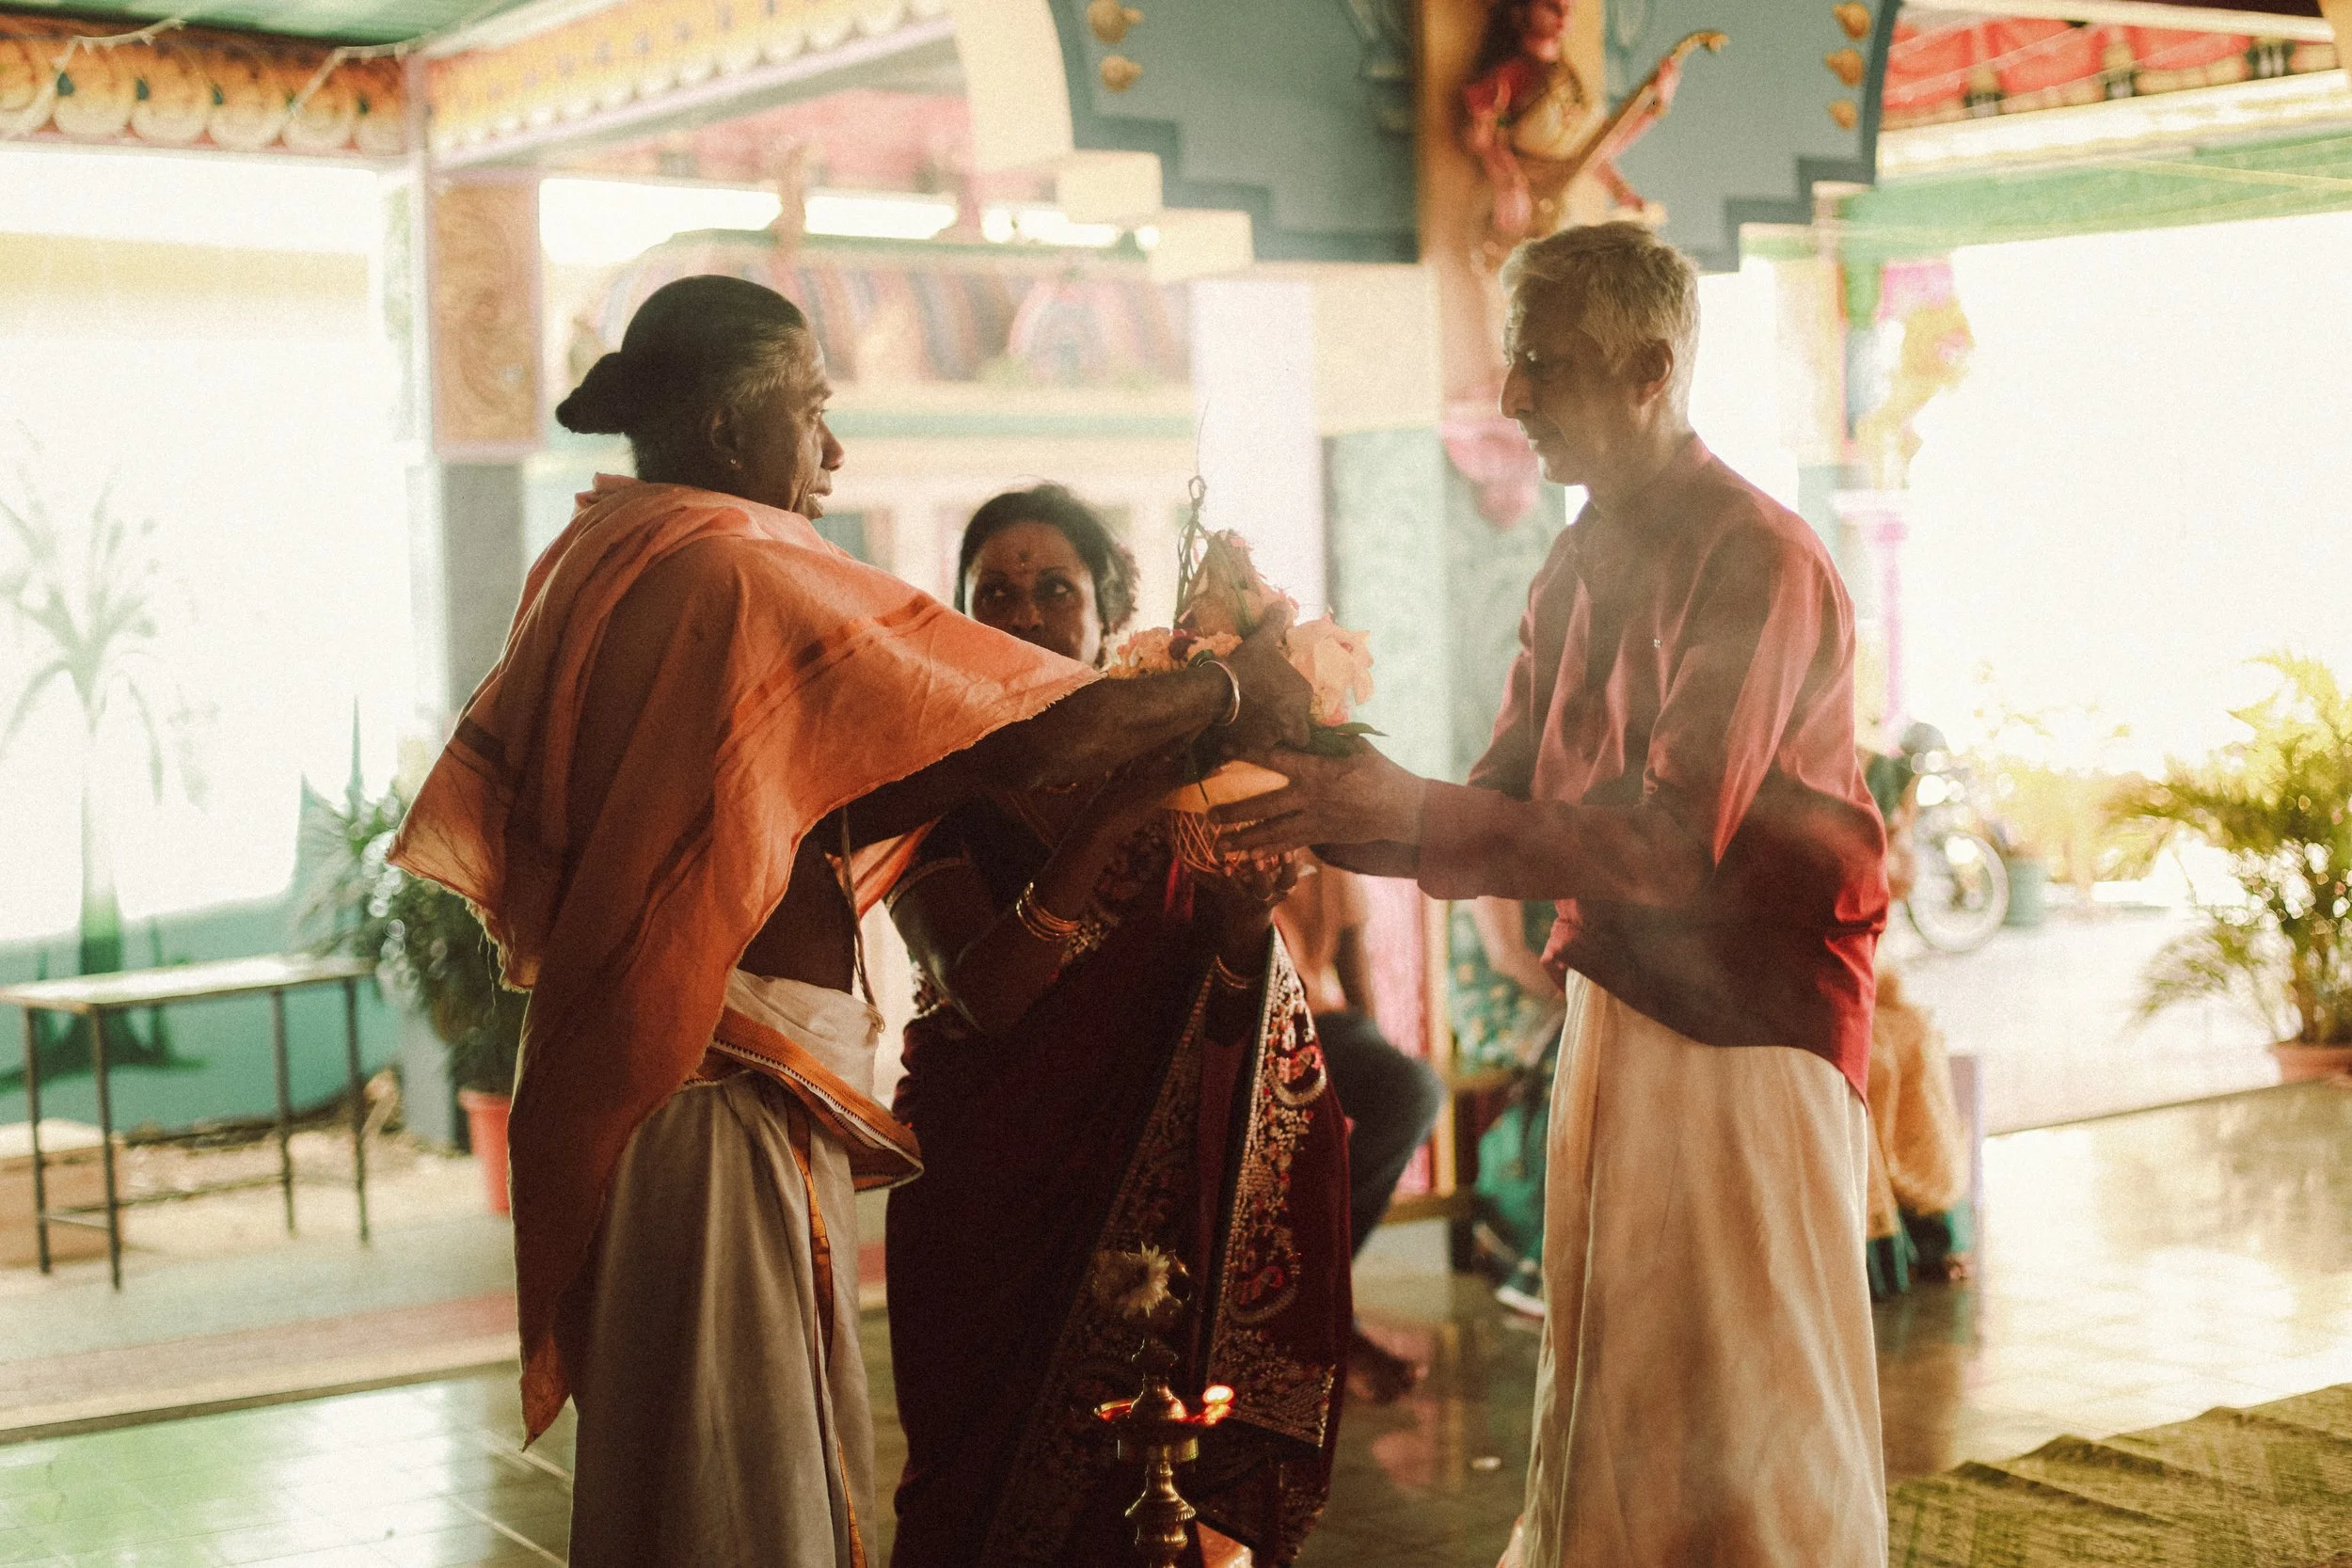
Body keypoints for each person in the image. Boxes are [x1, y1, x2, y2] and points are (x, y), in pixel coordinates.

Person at [389, 280, 1313, 1568]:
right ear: (727, 426)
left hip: (681, 1081)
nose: (832, 453)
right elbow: (1024, 736)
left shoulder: (599, 557)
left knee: (698, 1462)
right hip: (713, 1087)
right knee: (742, 1479)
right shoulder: (735, 563)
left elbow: (861, 782)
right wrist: (1224, 687)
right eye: (813, 412)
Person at [1216, 222, 1892, 1567]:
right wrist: (1300, 774)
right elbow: (1496, 795)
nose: (1515, 395)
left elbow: (1661, 850)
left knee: (1748, 1393)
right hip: (1627, 1004)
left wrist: (1398, 812)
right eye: (1516, 359)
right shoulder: (1583, 556)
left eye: (1548, 362)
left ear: (1650, 368)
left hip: (1752, 1021)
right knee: (1623, 1378)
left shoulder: (1755, 553)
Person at [882, 485, 1351, 1568]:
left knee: (1143, 1489)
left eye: (1056, 589)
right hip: (987, 1194)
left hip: (1147, 1203)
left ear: (1106, 616)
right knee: (970, 1487)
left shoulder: (1190, 784)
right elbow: (987, 991)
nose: (1025, 612)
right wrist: (1120, 807)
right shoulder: (940, 782)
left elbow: (1228, 991)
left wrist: (1243, 930)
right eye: (993, 592)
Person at [1270, 857, 1446, 1400]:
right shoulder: (1200, 823)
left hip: (1319, 1022)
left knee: (1413, 1092)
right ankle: (1319, 1315)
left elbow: (1353, 967)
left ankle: (1316, 1296)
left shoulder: (1320, 839)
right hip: (1242, 1018)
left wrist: (1369, 1047)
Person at [1449, 896, 1565, 1318]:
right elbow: (1506, 955)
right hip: (1495, 998)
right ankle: (1532, 1264)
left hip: (1549, 993)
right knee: (1576, 1055)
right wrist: (1581, 1002)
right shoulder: (1484, 839)